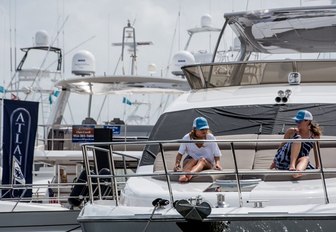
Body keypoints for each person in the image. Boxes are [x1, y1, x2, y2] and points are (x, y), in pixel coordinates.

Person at [270, 110, 322, 177]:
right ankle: (292, 166)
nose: (297, 123)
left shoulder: (315, 136)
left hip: (299, 161)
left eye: (299, 121)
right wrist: (274, 162)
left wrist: (318, 167)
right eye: (296, 121)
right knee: (298, 138)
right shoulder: (291, 131)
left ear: (308, 121)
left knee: (306, 158)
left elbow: (317, 152)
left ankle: (296, 173)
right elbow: (281, 147)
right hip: (284, 159)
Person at [174, 117, 222, 182]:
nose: (204, 131)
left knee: (202, 160)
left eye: (206, 128)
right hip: (191, 160)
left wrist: (217, 164)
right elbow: (180, 154)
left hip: (207, 163)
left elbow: (217, 154)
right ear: (194, 129)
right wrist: (177, 164)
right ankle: (183, 176)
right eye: (202, 129)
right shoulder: (187, 138)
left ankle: (190, 174)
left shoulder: (211, 137)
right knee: (193, 160)